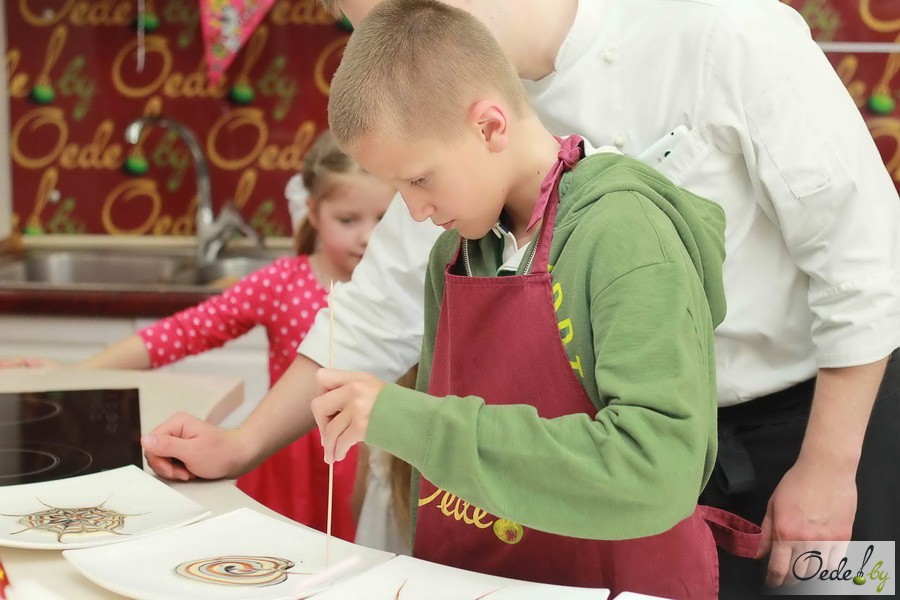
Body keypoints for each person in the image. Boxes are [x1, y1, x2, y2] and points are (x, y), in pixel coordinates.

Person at [142, 0, 900, 596]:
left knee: (849, 589)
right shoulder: (443, 143)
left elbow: (866, 254)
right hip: (615, 457)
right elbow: (373, 313)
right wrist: (243, 443)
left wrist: (830, 468)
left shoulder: (727, 31)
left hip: (828, 422)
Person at [312, 2, 761, 596]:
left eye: (419, 179)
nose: (416, 211)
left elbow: (655, 471)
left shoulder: (625, 235)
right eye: (398, 189)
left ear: (489, 127)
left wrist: (405, 419)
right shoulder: (452, 256)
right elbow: (440, 482)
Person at [3, 130, 394, 542]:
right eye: (348, 220)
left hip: (373, 464)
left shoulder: (406, 289)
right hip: (284, 462)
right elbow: (183, 332)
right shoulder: (282, 282)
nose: (367, 235)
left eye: (384, 219)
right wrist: (74, 374)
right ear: (313, 212)